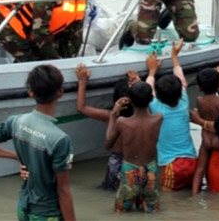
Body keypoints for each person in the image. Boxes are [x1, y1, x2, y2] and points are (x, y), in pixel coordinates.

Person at [0, 64, 75, 221]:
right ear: (60, 92)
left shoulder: (15, 122)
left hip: (23, 207)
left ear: (30, 92)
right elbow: (63, 190)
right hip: (47, 214)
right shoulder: (61, 140)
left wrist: (16, 157)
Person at [144, 39, 198, 191]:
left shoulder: (157, 108)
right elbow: (181, 80)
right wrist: (174, 56)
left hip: (172, 165)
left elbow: (148, 90)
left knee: (170, 201)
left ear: (158, 96)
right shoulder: (184, 101)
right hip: (193, 161)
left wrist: (152, 71)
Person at [105, 81, 163, 213]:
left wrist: (113, 115)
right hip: (150, 171)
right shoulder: (158, 119)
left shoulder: (122, 122)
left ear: (129, 101)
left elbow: (108, 143)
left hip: (130, 171)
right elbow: (152, 105)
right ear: (151, 99)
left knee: (120, 212)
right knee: (153, 212)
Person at [75, 63, 133, 191]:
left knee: (110, 192)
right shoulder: (142, 116)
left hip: (115, 163)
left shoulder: (110, 116)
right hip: (134, 162)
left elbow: (81, 107)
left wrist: (82, 82)